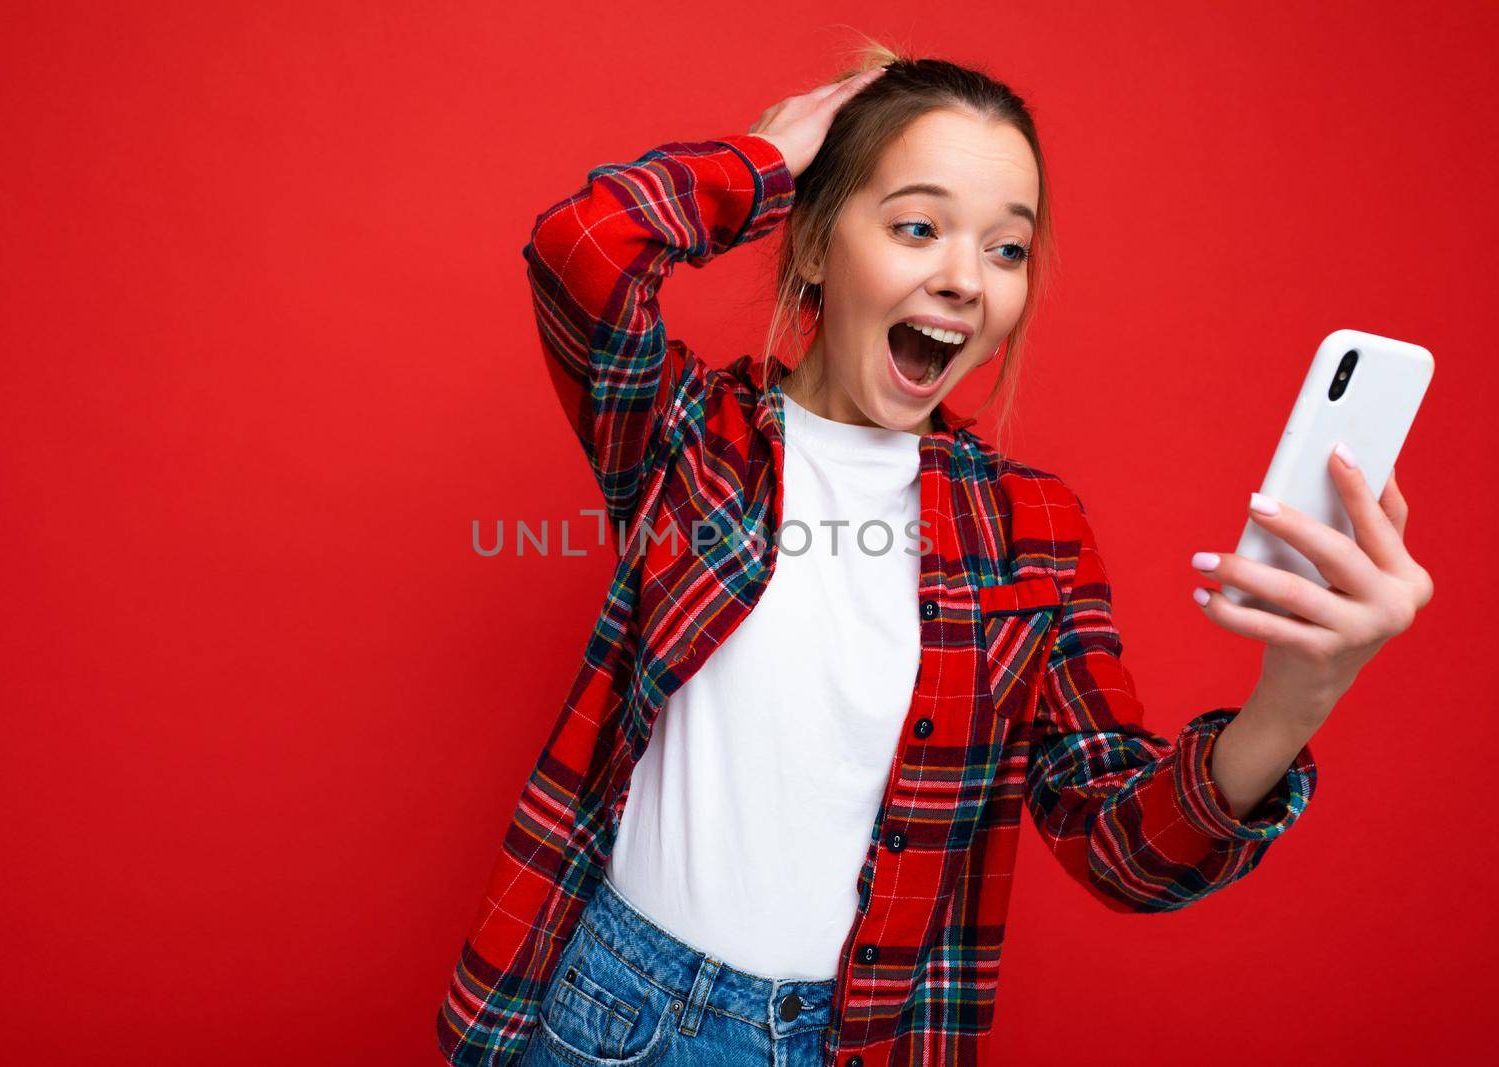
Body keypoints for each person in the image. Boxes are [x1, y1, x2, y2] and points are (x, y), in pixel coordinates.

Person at [436, 42, 1432, 1067]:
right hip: (616, 1011)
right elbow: (581, 247)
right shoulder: (692, 438)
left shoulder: (1032, 527)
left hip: (855, 1042)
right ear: (817, 247)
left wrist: (1296, 695)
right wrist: (767, 162)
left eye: (1007, 249)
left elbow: (1124, 849)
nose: (964, 279)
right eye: (917, 226)